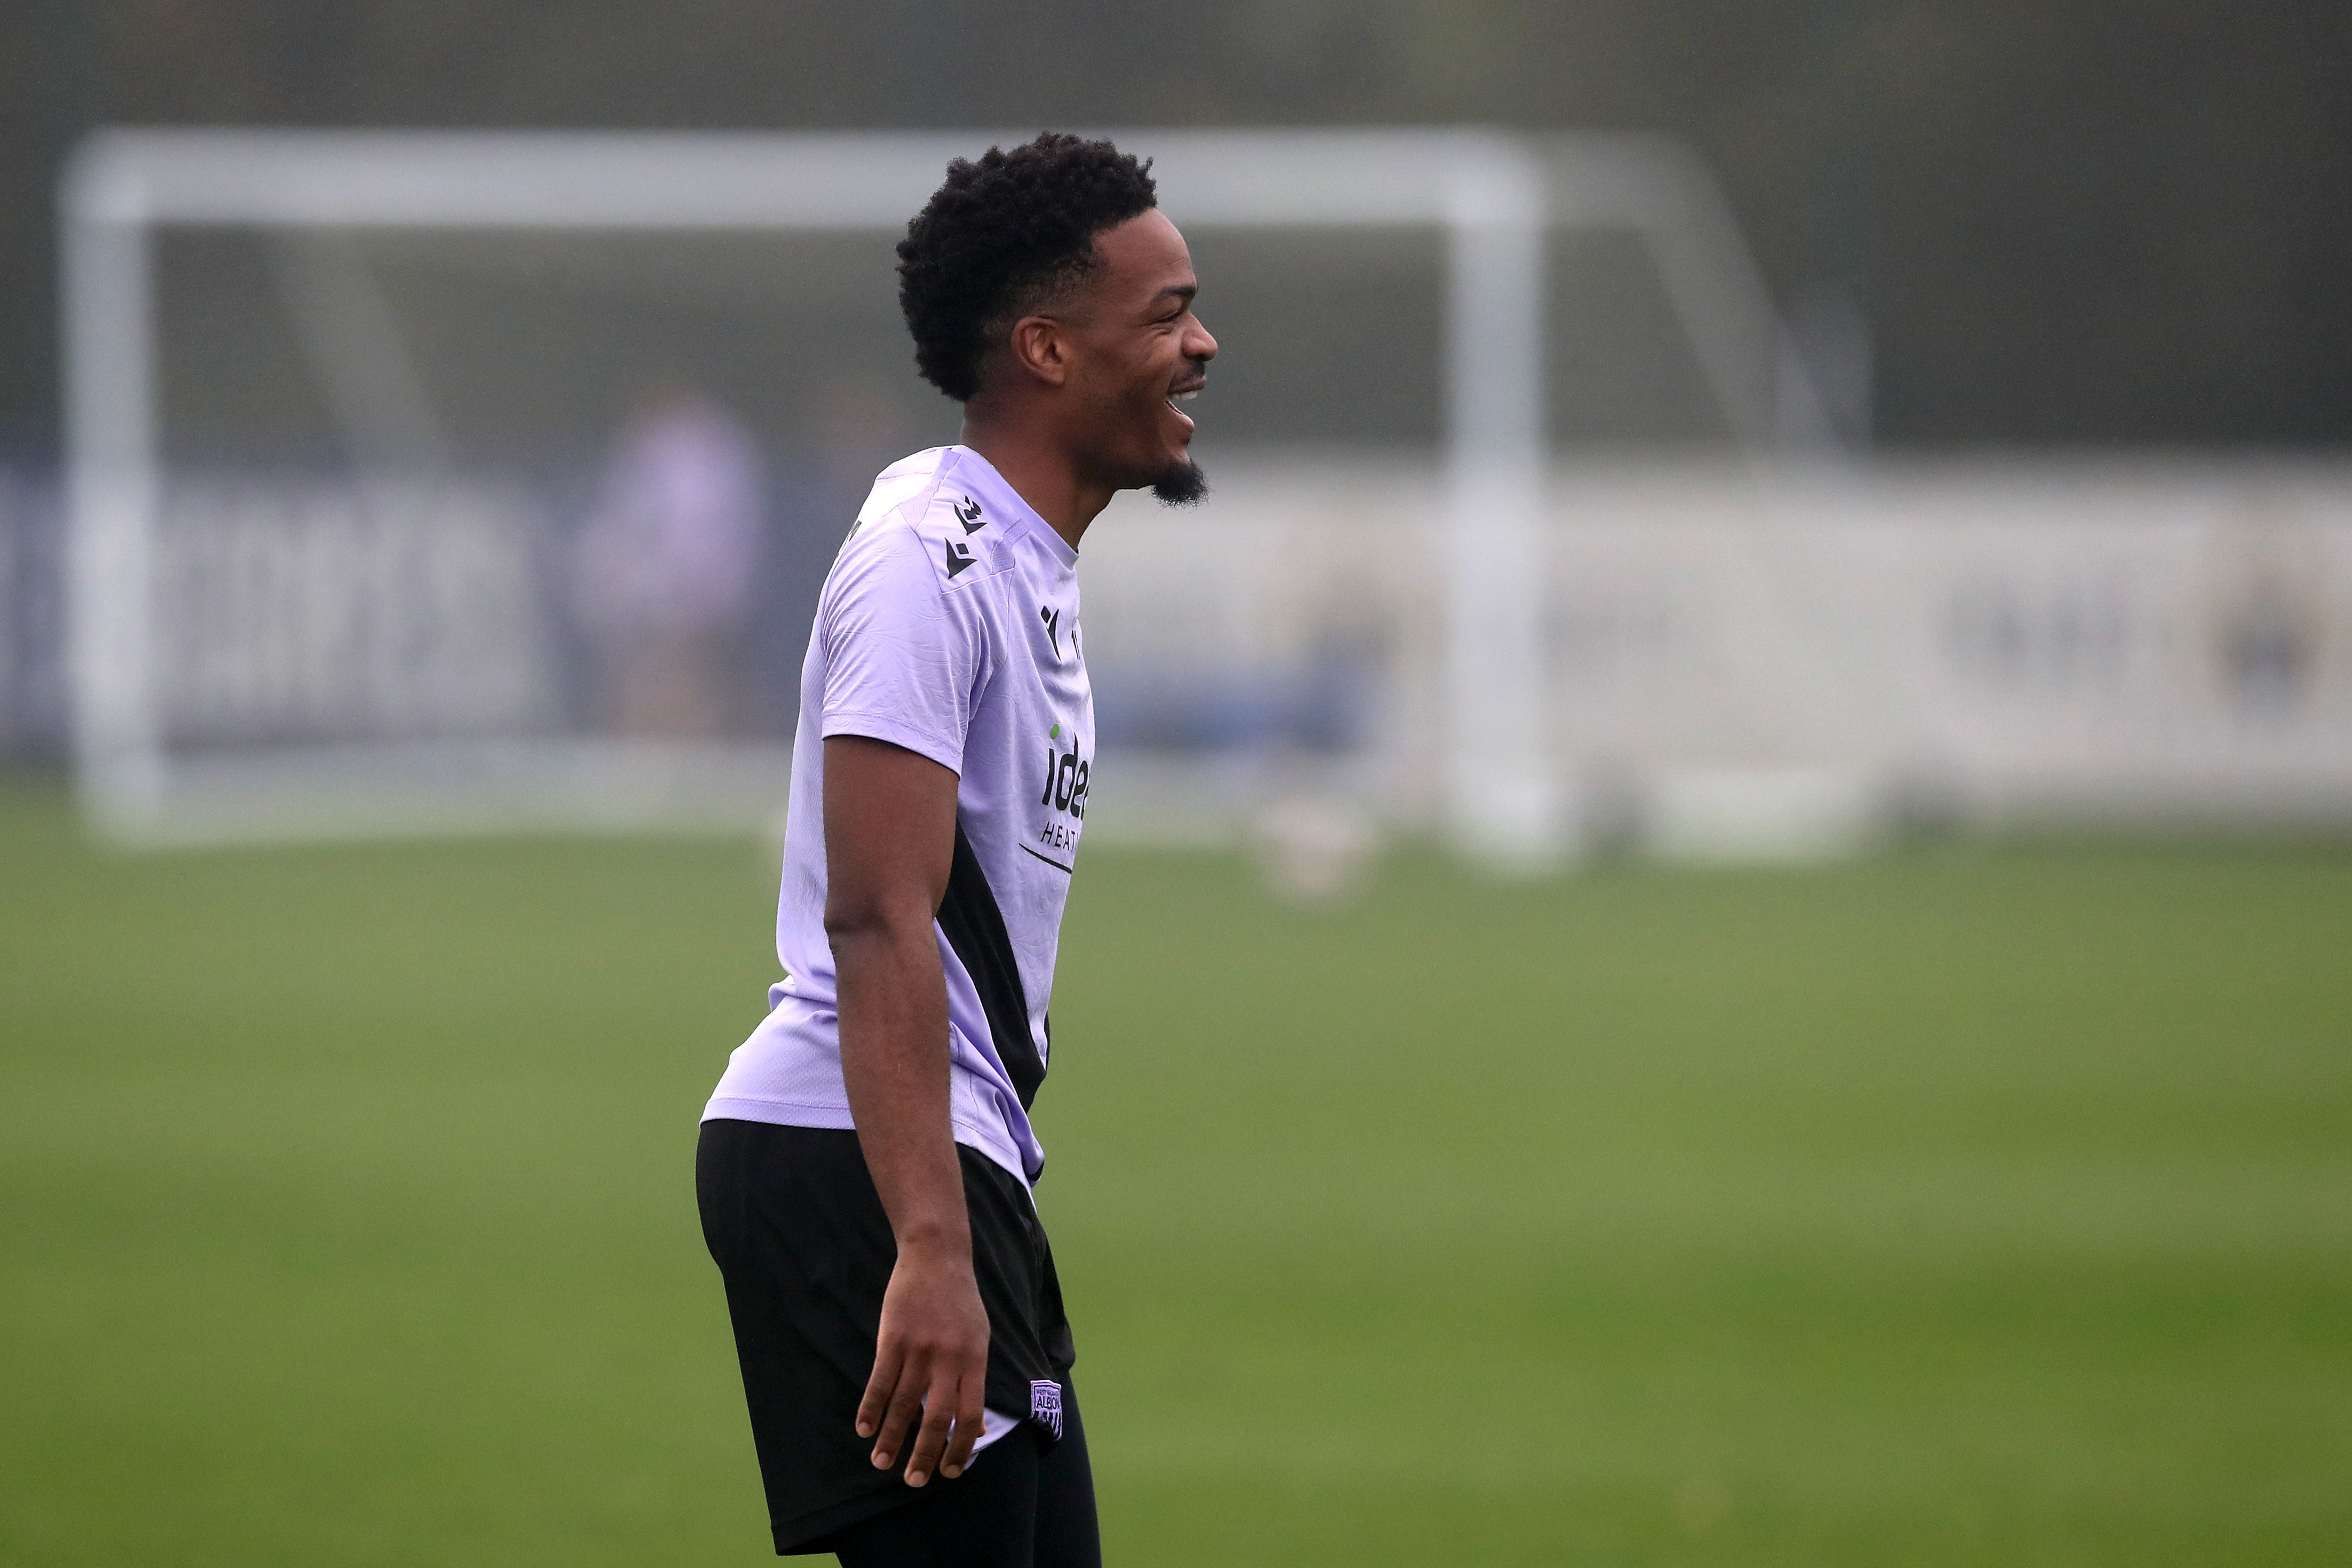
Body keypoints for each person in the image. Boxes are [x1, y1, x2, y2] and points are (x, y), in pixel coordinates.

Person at [695, 132, 1217, 1566]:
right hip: (861, 1164)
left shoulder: (1014, 567)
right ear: (1047, 349)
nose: (1200, 345)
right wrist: (924, 1242)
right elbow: (876, 916)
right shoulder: (929, 562)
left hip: (942, 1158)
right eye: (1164, 314)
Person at [573, 381, 767, 738]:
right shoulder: (641, 454)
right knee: (649, 683)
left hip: (686, 602)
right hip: (653, 602)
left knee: (684, 682)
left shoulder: (701, 450)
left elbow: (702, 539)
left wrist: (684, 601)